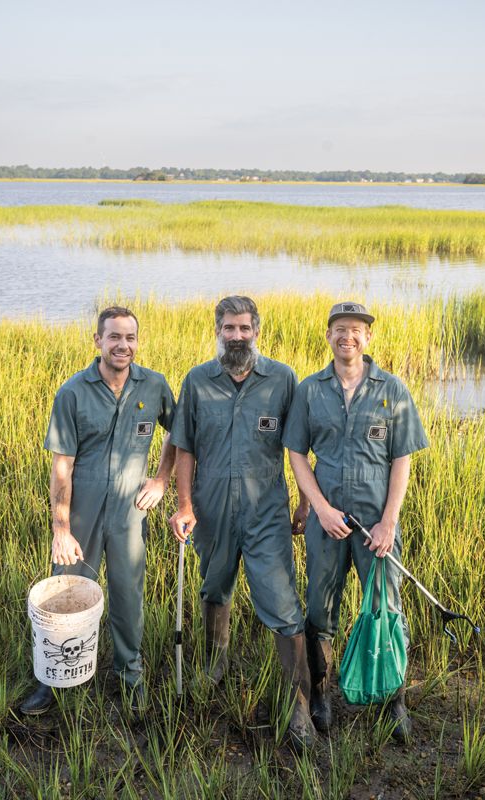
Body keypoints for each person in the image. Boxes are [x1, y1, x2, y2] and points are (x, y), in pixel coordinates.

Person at [169, 295, 315, 750]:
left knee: (282, 603)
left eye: (244, 329)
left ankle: (299, 709)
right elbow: (185, 448)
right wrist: (185, 504)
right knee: (214, 587)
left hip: (266, 509)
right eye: (228, 329)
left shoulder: (283, 380)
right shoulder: (197, 380)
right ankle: (216, 665)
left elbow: (299, 448)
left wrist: (308, 504)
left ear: (257, 330)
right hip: (210, 507)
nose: (236, 337)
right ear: (218, 330)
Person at [283, 301, 428, 742]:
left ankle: (394, 699)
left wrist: (388, 522)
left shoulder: (392, 389)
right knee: (320, 609)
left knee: (386, 607)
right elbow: (296, 453)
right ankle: (323, 695)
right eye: (340, 329)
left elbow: (401, 458)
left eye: (357, 330)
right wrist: (319, 508)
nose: (348, 337)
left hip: (375, 524)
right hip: (327, 521)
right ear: (328, 336)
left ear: (368, 337)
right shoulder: (310, 390)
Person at [20, 306, 176, 715]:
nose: (123, 345)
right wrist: (61, 529)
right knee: (65, 594)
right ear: (98, 341)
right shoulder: (73, 392)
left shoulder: (154, 386)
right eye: (114, 337)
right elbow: (61, 467)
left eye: (130, 338)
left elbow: (181, 432)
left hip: (129, 510)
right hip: (82, 510)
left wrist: (161, 480)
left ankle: (130, 676)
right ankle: (52, 681)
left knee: (128, 596)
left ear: (137, 342)